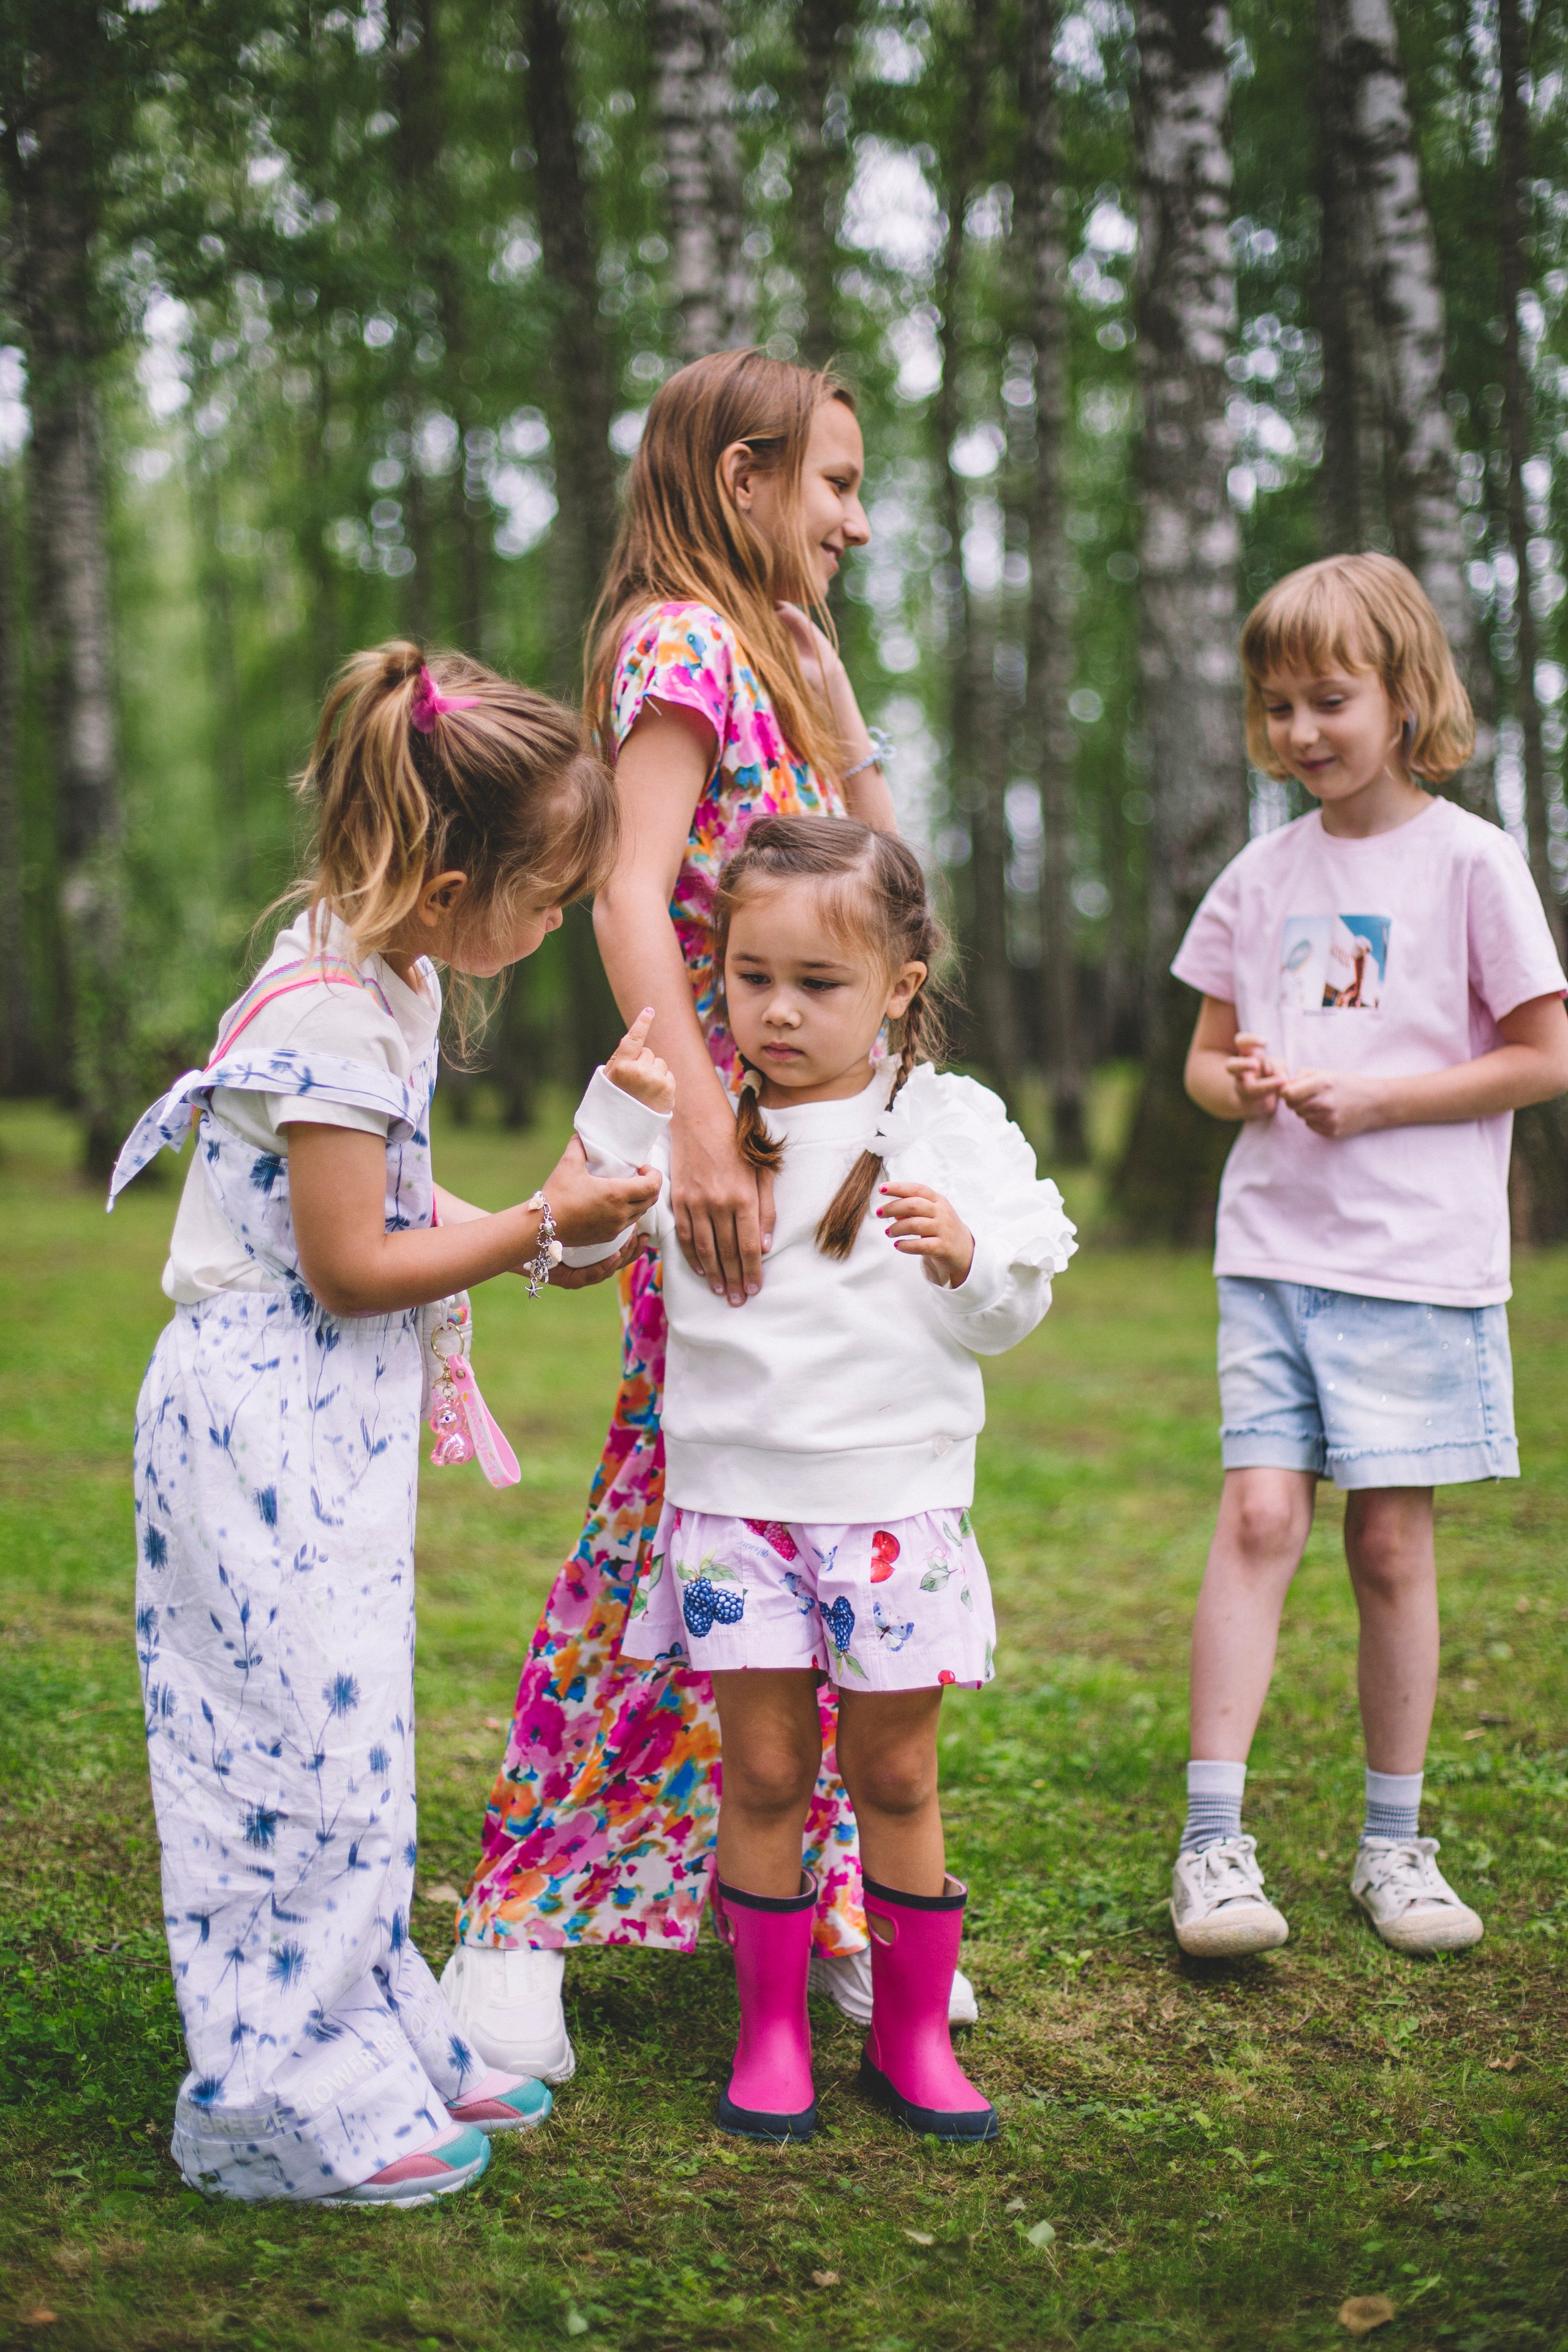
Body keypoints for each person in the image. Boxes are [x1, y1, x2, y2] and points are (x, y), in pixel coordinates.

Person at [440, 349, 979, 2078]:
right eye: (834, 482)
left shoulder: (774, 659)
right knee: (675, 1520)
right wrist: (697, 1133)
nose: (856, 520)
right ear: (742, 479)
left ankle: (832, 1908)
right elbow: (624, 891)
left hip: (817, 1165)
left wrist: (841, 712)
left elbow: (891, 901)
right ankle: (519, 1913)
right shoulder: (679, 639)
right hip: (731, 1162)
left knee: (809, 1531)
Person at [111, 644, 659, 2204]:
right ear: (446, 884)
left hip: (325, 1424)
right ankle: (267, 2098)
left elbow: (391, 1209)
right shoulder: (330, 1018)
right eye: (545, 900)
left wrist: (548, 1230)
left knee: (351, 1744)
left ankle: (366, 2020)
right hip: (257, 1429)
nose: (551, 928)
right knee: (282, 1759)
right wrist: (533, 1223)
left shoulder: (388, 980)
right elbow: (353, 1264)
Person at [579, 815, 1076, 2140]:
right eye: (751, 978)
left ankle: (911, 2039)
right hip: (734, 1513)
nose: (779, 1012)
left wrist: (966, 1255)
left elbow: (1010, 1311)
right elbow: (569, 1249)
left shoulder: (945, 1127)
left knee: (895, 1772)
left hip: (892, 1511)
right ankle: (772, 2033)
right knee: (762, 1769)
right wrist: (615, 1127)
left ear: (899, 987)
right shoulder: (689, 1118)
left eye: (818, 983)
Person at [1166, 554, 1568, 1961]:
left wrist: (1379, 1101)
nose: (1297, 732)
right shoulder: (1258, 876)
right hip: (1270, 1253)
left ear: (1404, 696)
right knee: (1256, 1519)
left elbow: (1541, 1054)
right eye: (1274, 705)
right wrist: (1241, 1084)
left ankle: (1392, 1846)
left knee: (1388, 1542)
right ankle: (1209, 1847)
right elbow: (1201, 1062)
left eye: (1326, 700)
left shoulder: (1470, 863)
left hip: (1413, 1264)